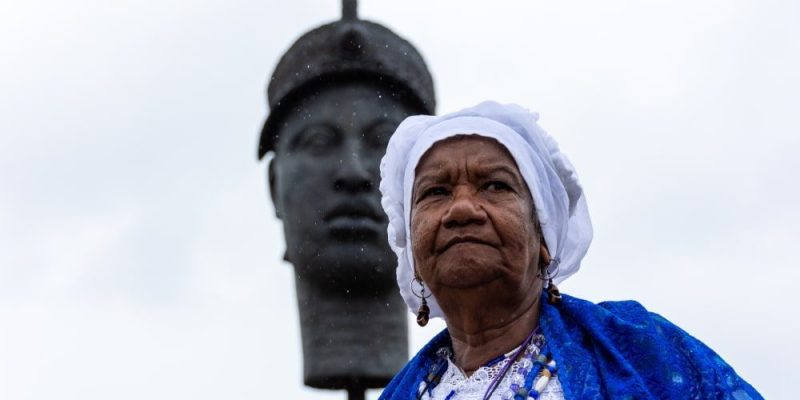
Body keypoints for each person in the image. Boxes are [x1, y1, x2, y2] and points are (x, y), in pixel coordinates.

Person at [378, 102, 761, 399]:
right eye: (436, 192)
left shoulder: (644, 352)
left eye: (494, 186)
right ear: (413, 253)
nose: (461, 209)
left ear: (543, 237)